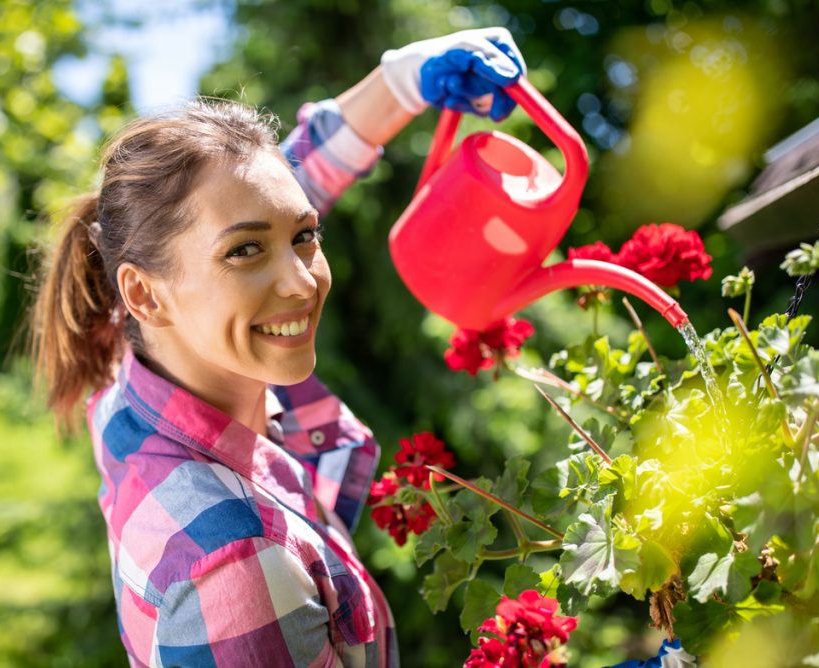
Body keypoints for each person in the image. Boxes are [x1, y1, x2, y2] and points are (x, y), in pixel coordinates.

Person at [30, 27, 526, 668]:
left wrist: (404, 78)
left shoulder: (138, 369)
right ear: (145, 294)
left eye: (305, 236)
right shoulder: (238, 565)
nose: (301, 282)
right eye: (244, 250)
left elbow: (266, 192)